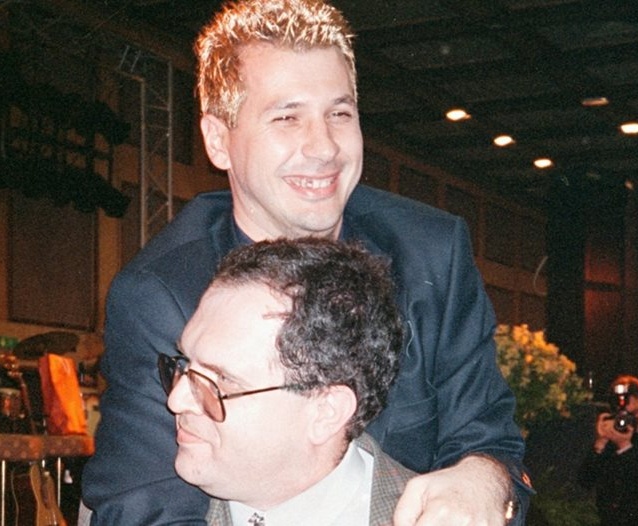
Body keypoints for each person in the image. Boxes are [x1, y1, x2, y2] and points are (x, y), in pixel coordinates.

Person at [81, 0, 530, 524]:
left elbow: (488, 438)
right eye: (287, 117)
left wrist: (484, 478)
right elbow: (148, 505)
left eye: (339, 114)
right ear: (219, 141)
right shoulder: (164, 293)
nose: (324, 147)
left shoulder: (432, 253)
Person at [158, 237, 415, 525]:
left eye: (222, 380)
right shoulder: (132, 502)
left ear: (326, 412)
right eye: (185, 364)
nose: (176, 400)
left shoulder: (427, 516)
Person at [578, 374, 638, 525]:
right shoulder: (613, 433)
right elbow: (585, 480)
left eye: (626, 397)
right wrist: (600, 443)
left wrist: (625, 446)